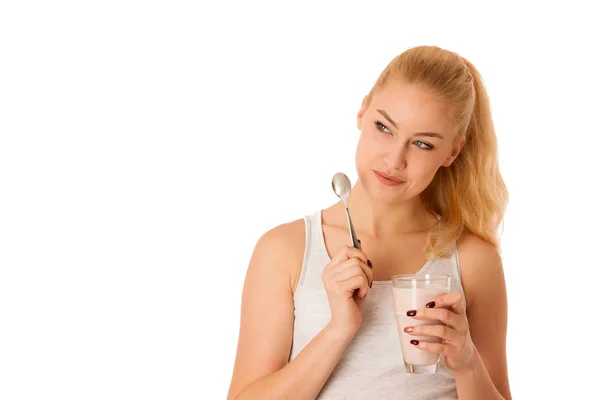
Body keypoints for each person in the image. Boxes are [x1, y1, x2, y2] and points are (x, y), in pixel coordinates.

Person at [226, 45, 512, 400]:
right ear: (362, 112)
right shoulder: (285, 251)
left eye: (422, 144)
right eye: (383, 127)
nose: (394, 159)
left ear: (452, 152)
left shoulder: (472, 259)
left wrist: (467, 362)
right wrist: (338, 330)